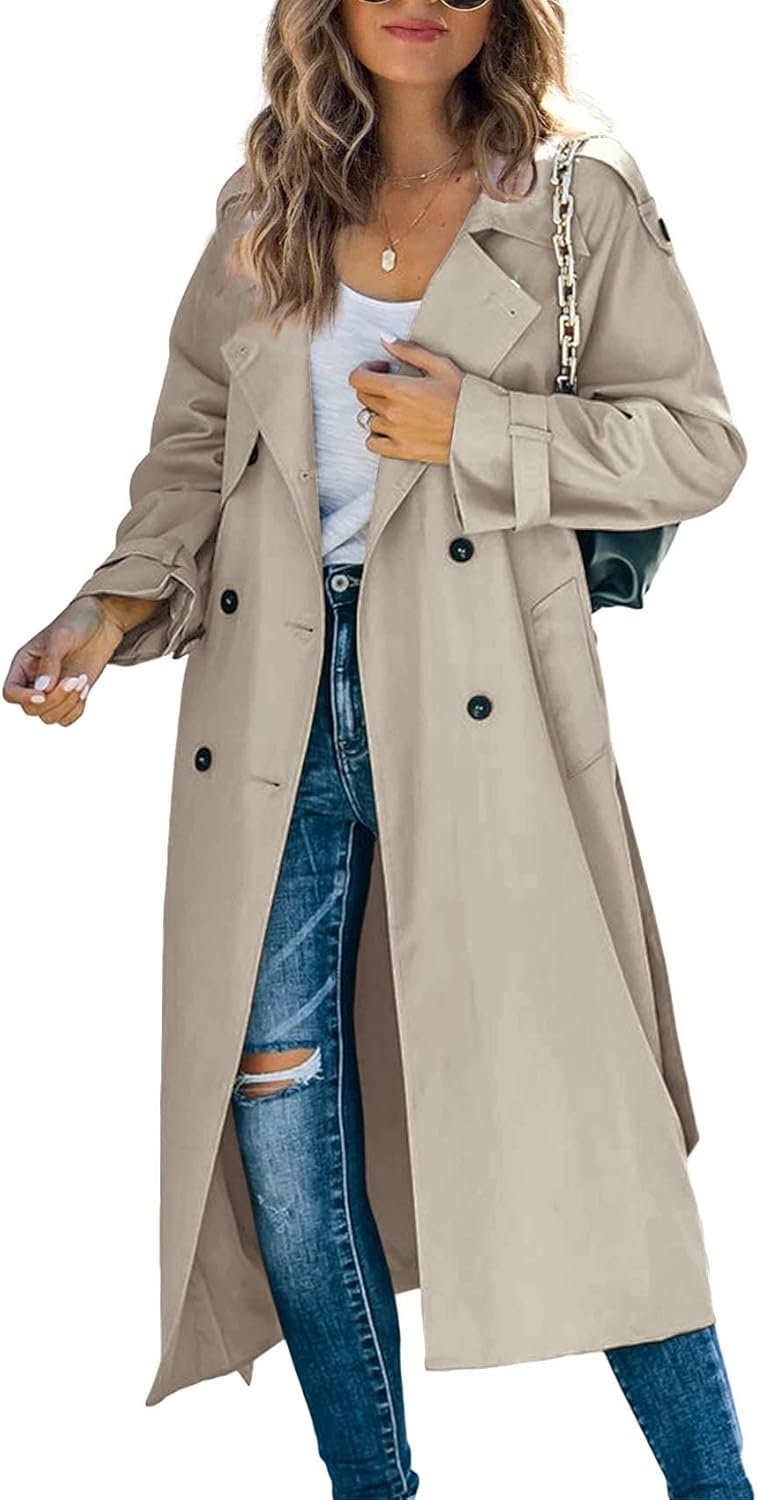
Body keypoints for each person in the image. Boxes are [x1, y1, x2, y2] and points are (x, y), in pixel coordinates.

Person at [4, 2, 753, 1497]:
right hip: (274, 715)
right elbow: (196, 450)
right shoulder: (268, 198)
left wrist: (484, 430)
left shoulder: (571, 195)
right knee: (280, 1123)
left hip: (487, 709)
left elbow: (694, 443)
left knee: (580, 1125)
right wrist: (110, 609)